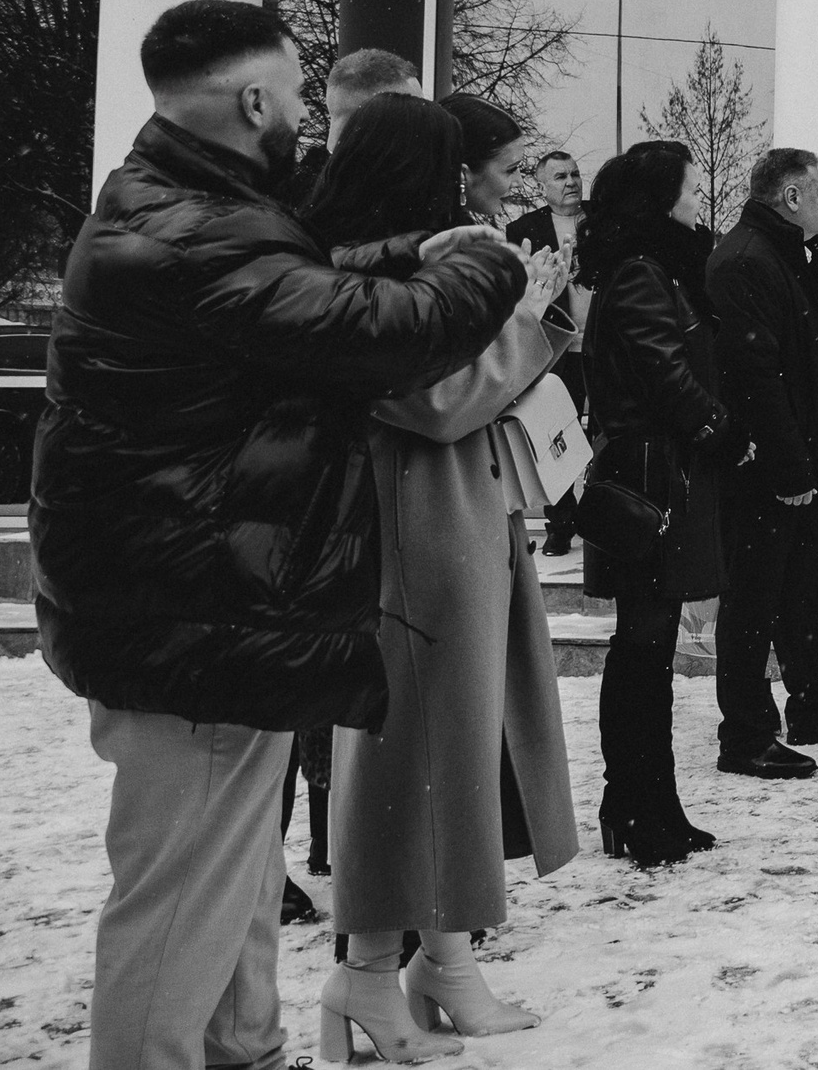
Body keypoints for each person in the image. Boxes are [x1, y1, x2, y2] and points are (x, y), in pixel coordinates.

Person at [30, 0, 523, 1070]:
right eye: (301, 95)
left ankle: (247, 1051)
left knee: (231, 880)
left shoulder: (190, 206)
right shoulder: (194, 231)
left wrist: (415, 244)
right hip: (192, 616)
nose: (310, 118)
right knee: (175, 908)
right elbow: (379, 330)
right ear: (255, 100)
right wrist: (487, 261)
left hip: (211, 606)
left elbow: (313, 276)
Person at [306, 94, 581, 1060]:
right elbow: (438, 401)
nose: (511, 183)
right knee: (415, 748)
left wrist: (528, 321)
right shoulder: (370, 273)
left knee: (453, 747)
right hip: (418, 521)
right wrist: (528, 322)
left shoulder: (405, 258)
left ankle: (434, 961)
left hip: (457, 514)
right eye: (496, 166)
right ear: (442, 171)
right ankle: (374, 973)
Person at [708, 148, 818, 781]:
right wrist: (789, 469)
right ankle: (747, 731)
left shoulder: (784, 254)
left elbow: (810, 349)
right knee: (754, 598)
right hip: (774, 468)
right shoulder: (747, 261)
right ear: (791, 197)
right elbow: (756, 377)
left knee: (799, 589)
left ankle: (810, 699)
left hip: (808, 454)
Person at [578, 139, 736, 867]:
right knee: (642, 650)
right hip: (651, 482)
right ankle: (638, 805)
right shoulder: (642, 275)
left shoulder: (647, 268)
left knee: (647, 648)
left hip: (653, 475)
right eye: (691, 185)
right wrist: (722, 432)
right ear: (659, 195)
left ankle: (649, 802)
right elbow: (666, 377)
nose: (699, 197)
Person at [508, 148, 594, 554]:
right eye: (560, 177)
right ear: (542, 186)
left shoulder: (601, 219)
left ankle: (600, 517)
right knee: (556, 434)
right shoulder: (522, 230)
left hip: (602, 345)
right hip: (557, 346)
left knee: (602, 433)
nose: (572, 182)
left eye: (575, 174)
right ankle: (561, 523)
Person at [282, 46, 422, 206]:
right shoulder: (370, 199)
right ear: (376, 115)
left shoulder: (305, 193)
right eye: (412, 110)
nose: (425, 117)